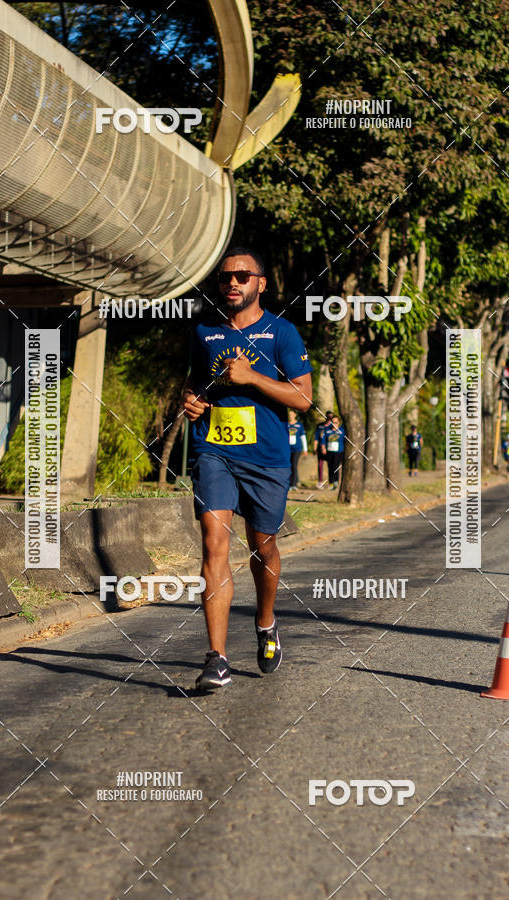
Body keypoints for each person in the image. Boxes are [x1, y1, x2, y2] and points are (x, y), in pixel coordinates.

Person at [182, 248, 313, 690]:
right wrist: (191, 399)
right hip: (213, 451)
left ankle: (266, 621)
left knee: (263, 547)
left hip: (266, 459)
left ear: (261, 283)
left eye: (242, 276)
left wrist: (252, 377)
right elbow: (194, 381)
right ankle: (216, 658)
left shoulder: (282, 333)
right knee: (213, 544)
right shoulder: (204, 331)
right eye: (225, 277)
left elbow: (304, 398)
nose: (232, 283)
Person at [321, 414, 345, 490]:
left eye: (336, 422)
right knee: (330, 467)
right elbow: (323, 439)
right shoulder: (327, 430)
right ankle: (331, 482)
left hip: (338, 451)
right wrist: (323, 448)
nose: (334, 424)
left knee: (336, 467)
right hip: (329, 451)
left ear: (339, 423)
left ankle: (336, 482)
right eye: (333, 422)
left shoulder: (342, 431)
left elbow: (345, 440)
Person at [288, 410, 307, 489]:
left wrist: (305, 449)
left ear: (295, 415)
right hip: (288, 449)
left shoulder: (299, 425)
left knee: (294, 465)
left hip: (297, 449)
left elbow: (303, 437)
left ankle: (294, 484)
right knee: (289, 466)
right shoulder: (286, 424)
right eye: (289, 415)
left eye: (292, 414)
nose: (290, 416)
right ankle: (290, 483)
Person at [313, 411, 333, 488]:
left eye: (331, 417)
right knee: (320, 465)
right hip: (320, 448)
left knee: (330, 465)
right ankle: (320, 481)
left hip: (330, 449)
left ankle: (331, 482)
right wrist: (315, 448)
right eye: (328, 417)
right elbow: (316, 437)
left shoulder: (333, 426)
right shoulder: (320, 426)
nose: (329, 419)